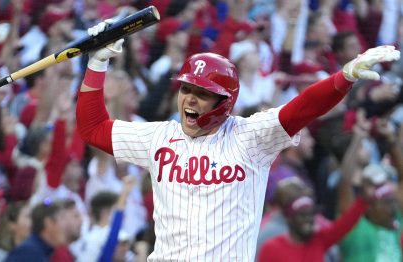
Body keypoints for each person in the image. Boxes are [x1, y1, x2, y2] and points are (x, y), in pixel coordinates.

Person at [75, 20, 400, 261]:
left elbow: (301, 109)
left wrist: (344, 77)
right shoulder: (158, 136)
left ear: (224, 101)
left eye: (203, 93)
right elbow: (92, 129)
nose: (190, 99)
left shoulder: (250, 136)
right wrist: (97, 63)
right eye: (187, 89)